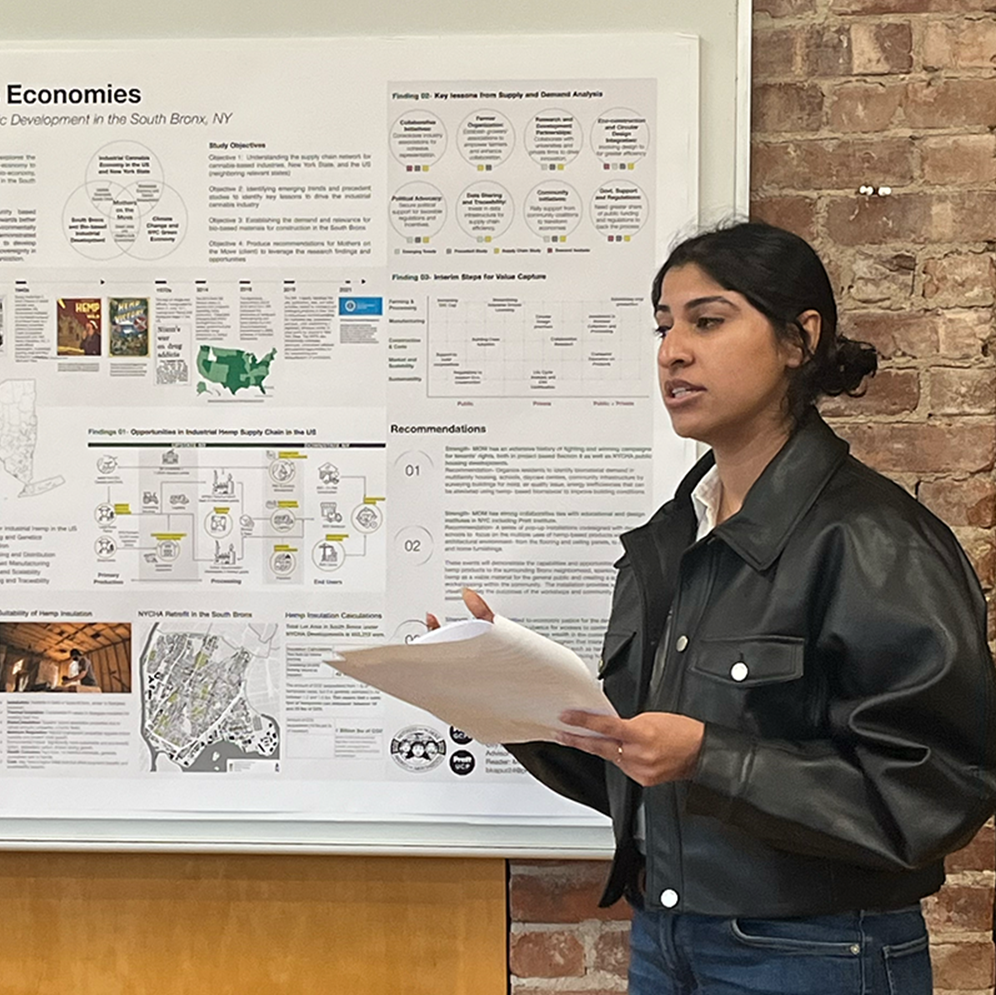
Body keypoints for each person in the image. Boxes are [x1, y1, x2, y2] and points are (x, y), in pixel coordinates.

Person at [437, 223, 996, 994]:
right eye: (664, 326)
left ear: (800, 339)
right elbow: (634, 762)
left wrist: (711, 757)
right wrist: (498, 696)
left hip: (820, 953)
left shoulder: (876, 539)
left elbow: (936, 790)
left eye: (708, 320)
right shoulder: (671, 540)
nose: (672, 351)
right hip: (666, 943)